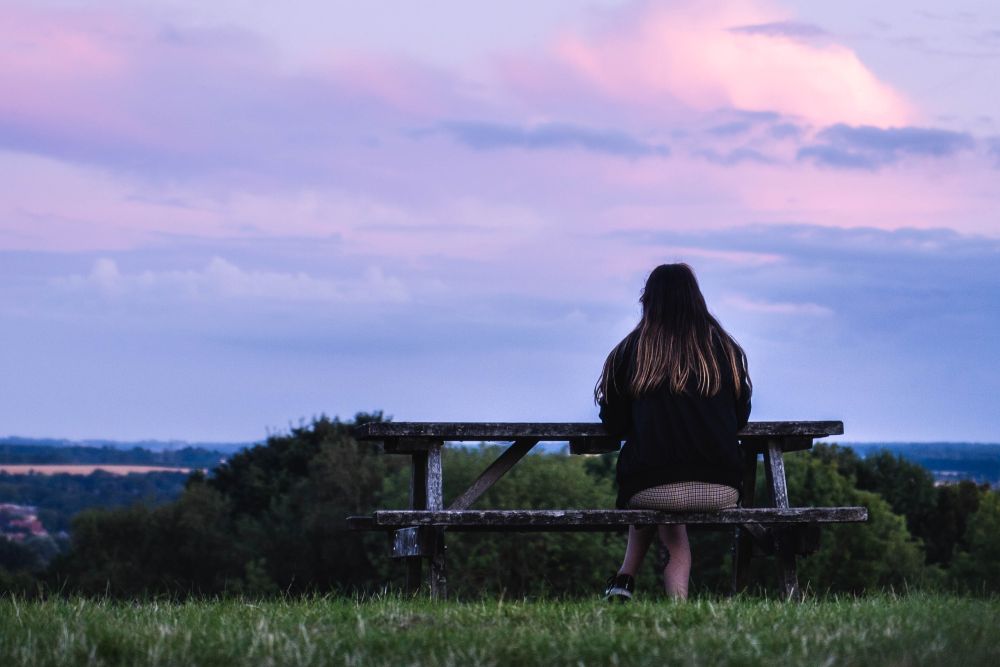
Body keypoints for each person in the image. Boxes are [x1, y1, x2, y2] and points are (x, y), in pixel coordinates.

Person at [596, 263, 751, 601]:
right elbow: (741, 417)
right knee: (668, 505)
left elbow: (613, 423)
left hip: (650, 487)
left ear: (648, 301)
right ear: (697, 299)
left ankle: (625, 581)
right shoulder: (725, 350)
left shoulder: (631, 350)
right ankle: (670, 603)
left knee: (660, 491)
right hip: (722, 486)